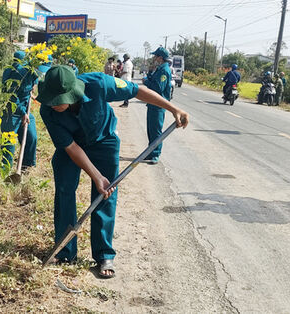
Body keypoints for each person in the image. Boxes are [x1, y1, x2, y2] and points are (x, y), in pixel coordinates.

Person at [37, 65, 189, 278]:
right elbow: (71, 148)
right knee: (64, 190)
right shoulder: (48, 109)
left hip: (103, 141)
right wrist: (95, 175)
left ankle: (103, 254)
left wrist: (173, 109)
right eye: (51, 99)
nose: (54, 105)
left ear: (73, 92)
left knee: (105, 193)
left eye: (58, 100)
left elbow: (137, 91)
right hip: (71, 147)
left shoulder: (99, 84)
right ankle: (65, 251)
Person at [1, 51, 39, 170]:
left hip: (26, 110)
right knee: (9, 143)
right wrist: (23, 113)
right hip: (11, 112)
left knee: (32, 137)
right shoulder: (12, 73)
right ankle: (6, 170)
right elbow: (12, 97)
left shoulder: (30, 70)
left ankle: (27, 166)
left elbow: (34, 82)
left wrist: (32, 88)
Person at [142, 46, 172, 165]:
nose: (154, 58)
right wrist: (149, 73)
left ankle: (155, 154)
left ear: (160, 58)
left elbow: (158, 88)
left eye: (155, 56)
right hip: (152, 103)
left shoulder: (164, 70)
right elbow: (153, 81)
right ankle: (150, 151)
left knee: (156, 131)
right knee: (150, 129)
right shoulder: (159, 68)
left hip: (158, 105)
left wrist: (147, 82)